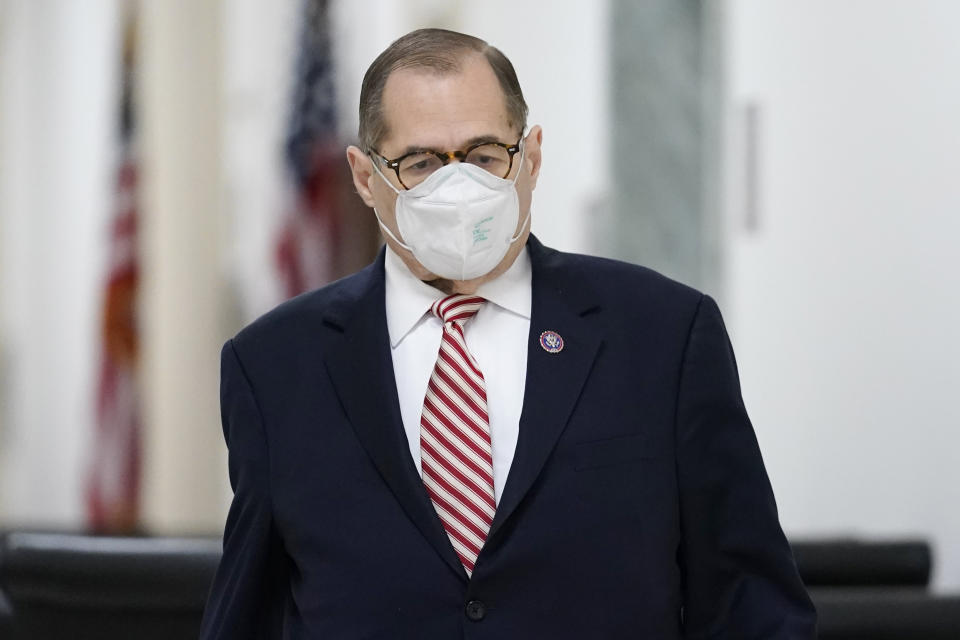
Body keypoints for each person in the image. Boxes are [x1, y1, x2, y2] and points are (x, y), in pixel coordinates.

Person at [200, 28, 816, 639]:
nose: (459, 187)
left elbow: (752, 604)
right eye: (420, 164)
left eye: (485, 155)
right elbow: (248, 614)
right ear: (365, 178)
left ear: (533, 157)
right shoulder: (275, 368)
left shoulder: (664, 335)